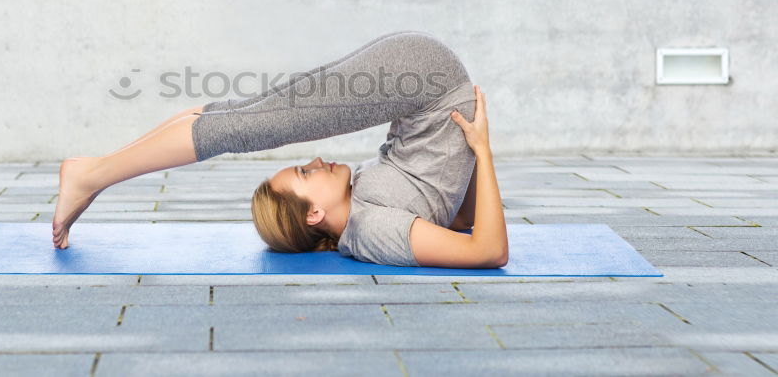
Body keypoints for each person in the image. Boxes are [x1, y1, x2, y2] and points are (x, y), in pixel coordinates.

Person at [52, 30, 508, 269]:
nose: (314, 161)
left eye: (303, 169)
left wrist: (473, 151)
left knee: (245, 116)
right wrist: (481, 151)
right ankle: (90, 175)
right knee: (246, 123)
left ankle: (93, 171)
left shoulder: (360, 207)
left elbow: (457, 218)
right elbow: (482, 245)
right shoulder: (372, 230)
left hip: (422, 78)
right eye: (305, 175)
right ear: (313, 216)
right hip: (426, 79)